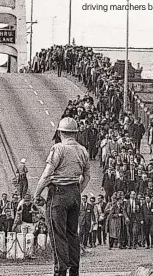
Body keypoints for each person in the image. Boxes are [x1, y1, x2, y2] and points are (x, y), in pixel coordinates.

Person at [34, 117, 90, 276]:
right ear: (75, 133)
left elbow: (46, 175)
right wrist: (78, 191)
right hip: (74, 193)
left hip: (58, 194)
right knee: (72, 233)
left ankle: (60, 271)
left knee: (58, 234)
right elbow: (87, 176)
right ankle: (74, 271)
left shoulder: (58, 149)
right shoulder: (82, 150)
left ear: (60, 132)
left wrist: (37, 194)